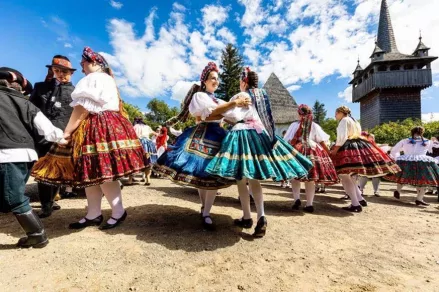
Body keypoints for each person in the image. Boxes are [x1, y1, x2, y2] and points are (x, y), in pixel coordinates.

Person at [32, 46, 148, 230]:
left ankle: (117, 211)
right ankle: (94, 213)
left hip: (97, 126)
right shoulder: (108, 80)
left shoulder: (92, 79)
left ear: (94, 63)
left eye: (83, 62)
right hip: (111, 125)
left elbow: (80, 110)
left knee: (101, 173)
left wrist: (67, 132)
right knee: (92, 173)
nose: (82, 66)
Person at [205, 68, 313, 237]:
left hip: (242, 134)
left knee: (241, 179)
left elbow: (232, 116)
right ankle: (260, 216)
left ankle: (247, 217)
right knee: (254, 179)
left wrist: (220, 116)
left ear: (243, 82)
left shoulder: (241, 96)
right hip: (260, 133)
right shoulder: (261, 96)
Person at [153, 62, 250, 230]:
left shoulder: (219, 100)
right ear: (204, 80)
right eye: (213, 78)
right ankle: (205, 210)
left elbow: (231, 116)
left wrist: (239, 104)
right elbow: (210, 113)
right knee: (201, 172)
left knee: (212, 174)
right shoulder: (199, 96)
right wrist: (231, 106)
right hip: (203, 133)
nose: (216, 81)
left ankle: (206, 210)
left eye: (217, 79)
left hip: (218, 135)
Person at [0, 67, 64, 248]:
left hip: (7, 154)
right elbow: (46, 127)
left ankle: (37, 236)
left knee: (15, 198)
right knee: (10, 195)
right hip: (24, 154)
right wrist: (62, 138)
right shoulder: (25, 102)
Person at [29, 55, 77, 218]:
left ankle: (52, 198)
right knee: (43, 171)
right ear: (52, 71)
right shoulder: (40, 87)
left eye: (65, 71)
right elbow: (31, 109)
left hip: (65, 137)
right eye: (57, 71)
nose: (61, 74)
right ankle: (45, 204)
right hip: (42, 136)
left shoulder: (76, 91)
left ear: (71, 73)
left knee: (58, 171)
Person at [330, 106, 400, 212]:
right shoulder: (354, 121)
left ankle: (355, 204)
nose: (335, 115)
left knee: (344, 176)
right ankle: (360, 198)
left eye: (336, 113)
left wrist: (335, 150)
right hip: (360, 146)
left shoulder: (344, 120)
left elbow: (342, 137)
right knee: (352, 176)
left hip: (348, 147)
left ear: (340, 112)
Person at [284, 104, 339, 213]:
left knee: (295, 177)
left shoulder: (294, 125)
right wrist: (328, 152)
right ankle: (309, 204)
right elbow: (322, 140)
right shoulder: (314, 125)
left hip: (297, 150)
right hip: (313, 150)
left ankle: (297, 199)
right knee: (310, 180)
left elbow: (287, 140)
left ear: (299, 113)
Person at [385, 127, 439, 206]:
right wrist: (434, 140)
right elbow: (437, 146)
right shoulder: (428, 142)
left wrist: (395, 158)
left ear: (412, 132)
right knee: (424, 179)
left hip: (406, 160)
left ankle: (398, 190)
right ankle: (419, 199)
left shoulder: (404, 141)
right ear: (422, 132)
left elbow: (394, 150)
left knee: (402, 176)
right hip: (422, 161)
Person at [129, 117, 157, 186]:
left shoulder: (135, 126)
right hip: (148, 144)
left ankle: (130, 180)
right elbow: (156, 134)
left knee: (132, 161)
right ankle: (148, 179)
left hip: (137, 143)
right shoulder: (147, 127)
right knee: (148, 161)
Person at [357, 131, 382, 197]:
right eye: (371, 137)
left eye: (373, 137)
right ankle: (361, 190)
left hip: (375, 162)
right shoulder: (363, 144)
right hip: (365, 162)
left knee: (376, 176)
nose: (372, 138)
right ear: (367, 137)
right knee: (364, 175)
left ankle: (376, 191)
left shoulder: (376, 145)